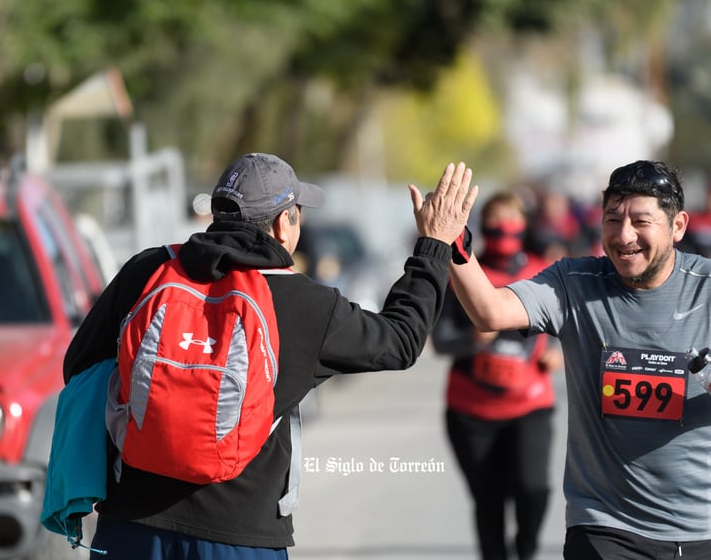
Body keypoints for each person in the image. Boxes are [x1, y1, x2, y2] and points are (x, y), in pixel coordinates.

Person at [61, 153, 477, 559]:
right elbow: (401, 340)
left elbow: (79, 366)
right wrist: (433, 246)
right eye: (298, 211)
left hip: (130, 527)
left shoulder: (148, 270)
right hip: (240, 535)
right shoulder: (305, 305)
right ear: (284, 224)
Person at [439, 159, 711, 559]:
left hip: (700, 526)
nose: (624, 236)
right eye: (613, 219)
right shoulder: (574, 282)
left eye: (641, 221)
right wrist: (451, 242)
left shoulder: (706, 289)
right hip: (605, 525)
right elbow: (490, 312)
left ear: (678, 227)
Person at [431, 191, 562, 560]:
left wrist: (555, 353)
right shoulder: (462, 272)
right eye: (495, 220)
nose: (503, 227)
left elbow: (564, 328)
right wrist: (473, 338)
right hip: (471, 411)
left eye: (511, 219)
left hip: (530, 404)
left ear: (524, 225)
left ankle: (526, 549)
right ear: (483, 227)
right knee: (488, 503)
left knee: (533, 490)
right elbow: (440, 342)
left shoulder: (543, 272)